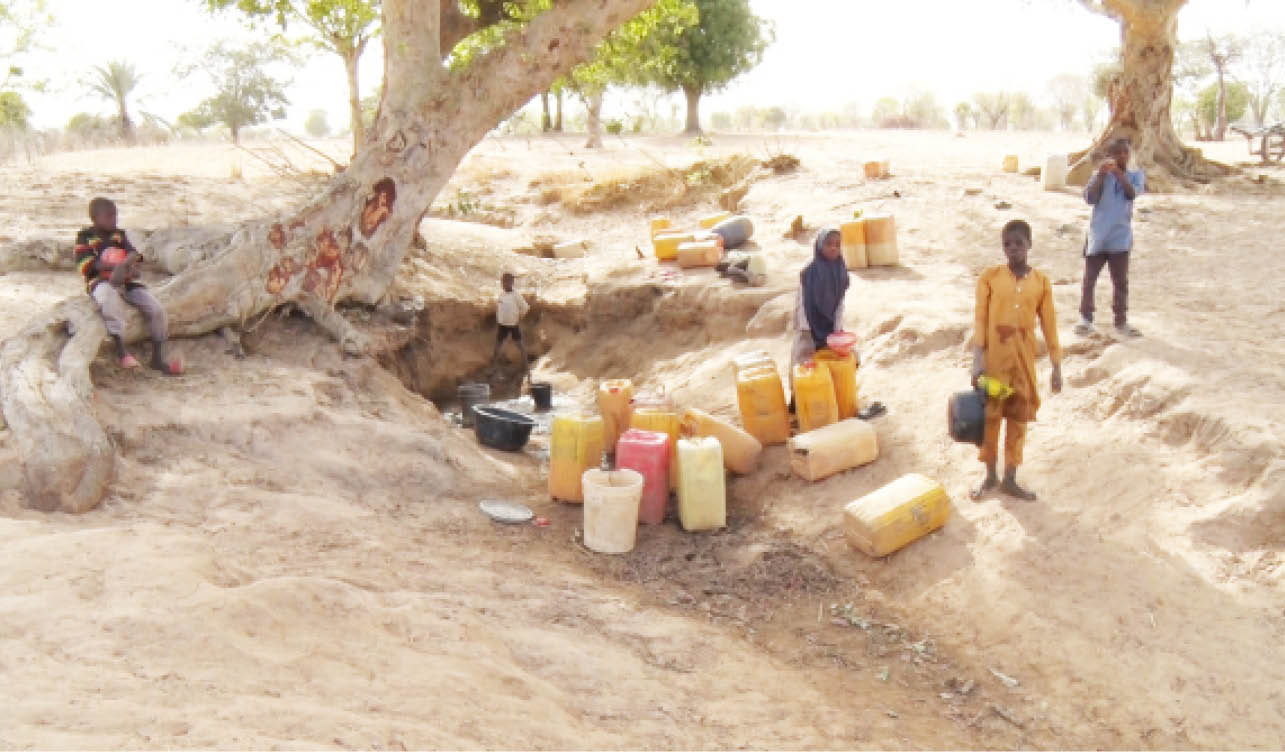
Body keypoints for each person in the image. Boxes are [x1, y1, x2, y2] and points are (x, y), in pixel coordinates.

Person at [970, 219, 1062, 501]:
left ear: (1030, 244)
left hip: (1023, 364)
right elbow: (981, 320)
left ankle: (1010, 477)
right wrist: (977, 360)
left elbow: (1049, 324)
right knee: (990, 417)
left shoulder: (1041, 283)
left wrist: (1057, 365)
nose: (1013, 249)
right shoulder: (990, 278)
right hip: (994, 364)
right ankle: (989, 476)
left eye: (1018, 243)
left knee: (1019, 419)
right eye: (1007, 244)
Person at [75, 197, 180, 374]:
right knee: (109, 300)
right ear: (95, 218)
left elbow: (135, 254)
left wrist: (123, 267)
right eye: (108, 216)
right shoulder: (85, 237)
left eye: (115, 215)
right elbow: (87, 265)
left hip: (126, 282)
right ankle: (121, 350)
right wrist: (115, 268)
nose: (114, 219)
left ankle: (157, 357)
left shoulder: (118, 235)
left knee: (156, 309)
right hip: (100, 282)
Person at [1076, 138, 1145, 338]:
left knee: (1120, 282)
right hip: (1098, 235)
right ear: (1110, 156)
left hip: (1120, 237)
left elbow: (1131, 194)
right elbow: (1090, 198)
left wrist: (1118, 174)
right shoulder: (1100, 176)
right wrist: (1101, 175)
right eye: (1117, 153)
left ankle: (1121, 321)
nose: (1122, 156)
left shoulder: (1135, 176)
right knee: (1089, 280)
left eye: (1125, 152)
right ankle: (1085, 319)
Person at [790, 228, 848, 394]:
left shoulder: (841, 271)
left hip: (829, 323)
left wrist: (837, 330)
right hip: (808, 323)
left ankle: (830, 398)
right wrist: (805, 329)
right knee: (802, 363)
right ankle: (797, 400)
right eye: (829, 244)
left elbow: (840, 303)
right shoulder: (809, 272)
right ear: (820, 246)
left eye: (837, 245)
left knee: (840, 359)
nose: (833, 248)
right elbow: (801, 303)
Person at [492, 272, 530, 374]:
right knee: (498, 345)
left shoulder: (516, 295)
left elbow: (525, 307)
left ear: (512, 283)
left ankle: (527, 367)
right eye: (502, 282)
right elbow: (500, 308)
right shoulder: (502, 295)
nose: (504, 284)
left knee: (520, 345)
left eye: (506, 282)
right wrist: (499, 318)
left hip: (513, 324)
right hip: (502, 325)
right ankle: (493, 365)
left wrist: (519, 318)